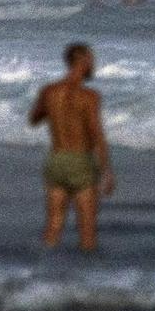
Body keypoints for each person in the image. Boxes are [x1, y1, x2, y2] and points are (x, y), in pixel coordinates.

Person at [28, 42, 114, 251]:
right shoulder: (89, 96)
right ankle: (85, 281)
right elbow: (96, 133)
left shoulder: (49, 91)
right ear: (82, 61)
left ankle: (41, 277)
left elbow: (34, 119)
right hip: (80, 161)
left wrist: (57, 114)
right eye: (91, 60)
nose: (94, 64)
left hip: (56, 160)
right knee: (87, 232)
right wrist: (106, 171)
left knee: (54, 226)